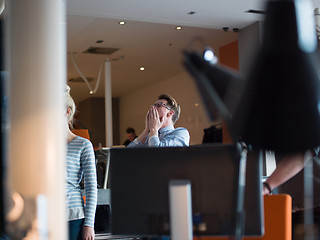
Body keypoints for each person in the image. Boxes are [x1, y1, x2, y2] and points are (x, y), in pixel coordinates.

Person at [66, 85, 97, 240]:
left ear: (67, 112)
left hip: (73, 217)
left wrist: (89, 224)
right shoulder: (45, 146)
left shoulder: (83, 145)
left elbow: (91, 187)